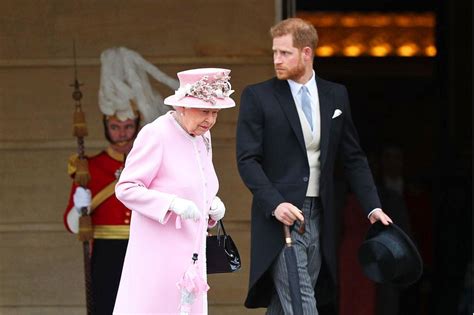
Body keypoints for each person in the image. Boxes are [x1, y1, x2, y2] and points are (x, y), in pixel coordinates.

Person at [236, 18, 393, 314]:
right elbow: (247, 160)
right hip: (280, 218)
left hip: (321, 214)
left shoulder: (336, 95)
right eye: (274, 52)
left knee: (287, 306)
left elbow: (353, 157)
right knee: (301, 301)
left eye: (285, 53)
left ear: (306, 53)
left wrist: (372, 206)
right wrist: (274, 204)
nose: (276, 60)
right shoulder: (258, 96)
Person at [63, 46, 178, 315]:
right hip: (106, 251)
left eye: (127, 127)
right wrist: (83, 205)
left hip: (147, 244)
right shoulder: (88, 166)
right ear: (106, 127)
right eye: (115, 127)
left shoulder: (152, 161)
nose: (122, 133)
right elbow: (71, 224)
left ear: (137, 125)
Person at [112, 68, 235, 315]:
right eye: (204, 111)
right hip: (157, 254)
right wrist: (171, 203)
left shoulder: (203, 137)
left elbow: (200, 183)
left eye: (214, 113)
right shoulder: (156, 134)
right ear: (182, 107)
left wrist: (212, 205)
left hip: (192, 253)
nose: (209, 120)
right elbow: (125, 188)